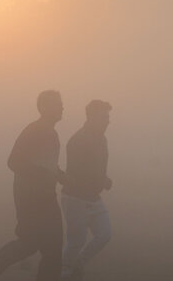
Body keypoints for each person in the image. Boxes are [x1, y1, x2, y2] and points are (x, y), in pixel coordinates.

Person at [0, 90, 68, 281]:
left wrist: (61, 175)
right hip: (29, 198)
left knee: (54, 248)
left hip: (48, 197)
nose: (62, 107)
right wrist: (41, 173)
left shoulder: (52, 134)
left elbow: (49, 164)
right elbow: (13, 162)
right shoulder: (33, 131)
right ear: (45, 108)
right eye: (58, 104)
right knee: (29, 243)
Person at [60, 100, 114, 280]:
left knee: (105, 233)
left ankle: (79, 263)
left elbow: (98, 168)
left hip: (93, 196)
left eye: (108, 117)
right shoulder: (78, 140)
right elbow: (76, 173)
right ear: (91, 117)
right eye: (104, 117)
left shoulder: (102, 139)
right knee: (76, 241)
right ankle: (65, 273)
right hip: (75, 198)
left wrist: (102, 179)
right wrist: (101, 180)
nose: (108, 121)